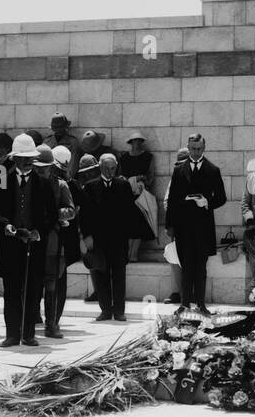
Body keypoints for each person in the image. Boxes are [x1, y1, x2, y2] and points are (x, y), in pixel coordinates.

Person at [0, 133, 56, 347]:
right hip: (10, 244)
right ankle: (12, 334)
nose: (26, 163)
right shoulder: (2, 179)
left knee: (33, 289)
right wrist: (5, 224)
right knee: (12, 289)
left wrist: (38, 231)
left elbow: (51, 216)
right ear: (14, 159)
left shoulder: (43, 183)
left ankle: (29, 334)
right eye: (22, 159)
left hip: (34, 245)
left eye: (29, 159)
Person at [166, 133, 226, 314]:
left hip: (203, 227)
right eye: (192, 149)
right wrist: (170, 226)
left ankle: (201, 304)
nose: (196, 152)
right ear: (188, 147)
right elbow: (172, 201)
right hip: (183, 226)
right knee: (186, 265)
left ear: (204, 148)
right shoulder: (179, 170)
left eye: (199, 149)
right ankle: (184, 304)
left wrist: (207, 202)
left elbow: (221, 198)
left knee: (200, 266)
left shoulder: (213, 170)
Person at [81, 153, 141, 322]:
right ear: (100, 167)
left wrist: (131, 239)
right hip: (99, 240)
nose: (109, 172)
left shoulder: (123, 185)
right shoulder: (90, 187)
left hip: (119, 239)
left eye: (113, 168)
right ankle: (106, 310)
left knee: (119, 275)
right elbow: (85, 215)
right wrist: (87, 236)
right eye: (106, 168)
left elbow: (130, 213)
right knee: (101, 275)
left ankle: (119, 311)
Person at [35, 145, 77, 339]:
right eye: (37, 167)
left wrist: (53, 214)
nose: (40, 171)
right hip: (32, 238)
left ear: (51, 167)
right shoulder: (28, 184)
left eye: (44, 168)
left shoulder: (60, 185)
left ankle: (51, 324)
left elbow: (70, 210)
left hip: (52, 239)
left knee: (51, 284)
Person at [120, 131, 158, 260]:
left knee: (139, 226)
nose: (137, 143)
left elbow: (151, 177)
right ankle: (128, 254)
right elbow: (119, 176)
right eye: (135, 141)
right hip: (126, 196)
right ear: (130, 142)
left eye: (139, 141)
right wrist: (131, 180)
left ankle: (133, 255)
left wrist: (142, 180)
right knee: (128, 226)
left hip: (141, 196)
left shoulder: (148, 157)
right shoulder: (124, 158)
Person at [161, 147, 190, 302]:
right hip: (177, 227)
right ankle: (179, 293)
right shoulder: (175, 178)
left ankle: (191, 294)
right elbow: (167, 201)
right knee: (174, 258)